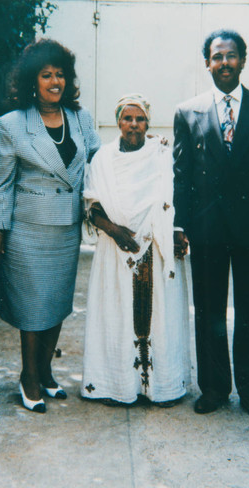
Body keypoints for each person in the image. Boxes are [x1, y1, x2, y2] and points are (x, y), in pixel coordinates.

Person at [173, 29, 249, 421]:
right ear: (207, 62)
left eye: (231, 55)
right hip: (207, 232)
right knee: (208, 312)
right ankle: (214, 388)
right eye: (217, 56)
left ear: (243, 60)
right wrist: (180, 225)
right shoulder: (187, 112)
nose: (224, 63)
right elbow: (182, 174)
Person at [0, 39, 100, 413]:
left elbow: (101, 164)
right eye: (47, 75)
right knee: (33, 308)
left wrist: (148, 148)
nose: (55, 82)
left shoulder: (81, 118)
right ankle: (28, 377)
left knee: (56, 304)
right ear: (31, 81)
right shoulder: (12, 125)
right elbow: (2, 182)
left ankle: (47, 372)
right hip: (27, 230)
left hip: (65, 228)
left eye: (61, 74)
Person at [81, 94, 191, 407]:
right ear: (118, 122)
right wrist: (115, 231)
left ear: (148, 123)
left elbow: (175, 194)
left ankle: (162, 387)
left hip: (156, 247)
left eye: (140, 118)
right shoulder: (102, 158)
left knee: (160, 314)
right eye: (127, 118)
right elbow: (92, 206)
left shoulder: (162, 154)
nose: (133, 124)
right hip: (115, 250)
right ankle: (115, 385)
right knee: (116, 313)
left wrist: (177, 231)